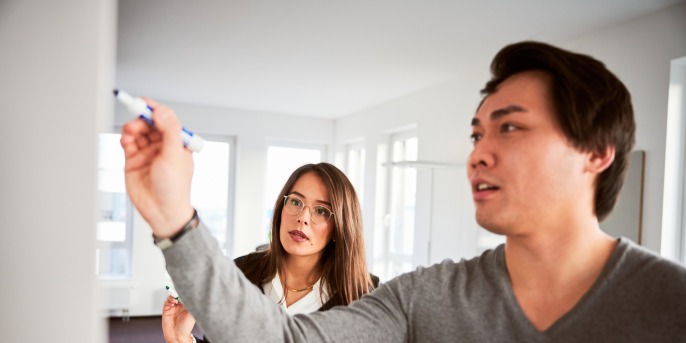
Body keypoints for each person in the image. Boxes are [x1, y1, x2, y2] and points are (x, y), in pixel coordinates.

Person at [121, 41, 686, 341]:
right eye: (476, 133)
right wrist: (174, 216)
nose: (478, 152)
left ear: (595, 153)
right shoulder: (424, 299)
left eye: (509, 127)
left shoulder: (670, 306)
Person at [160, 163, 379, 342]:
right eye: (295, 201)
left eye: (321, 210)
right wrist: (180, 338)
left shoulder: (362, 298)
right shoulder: (239, 273)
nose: (302, 217)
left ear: (339, 227)